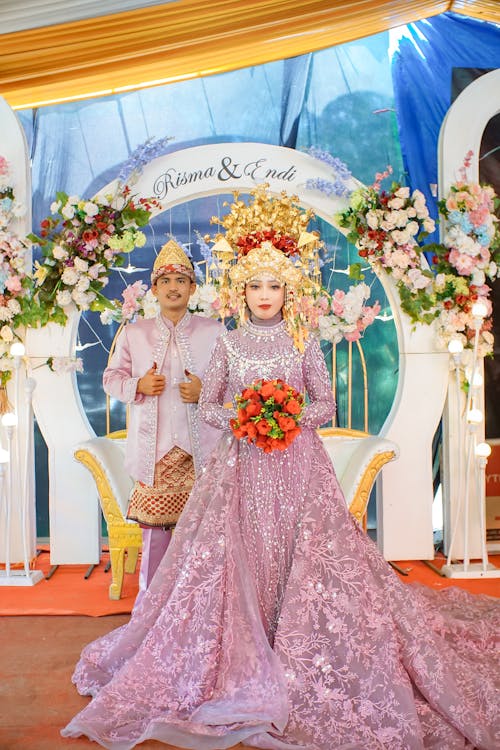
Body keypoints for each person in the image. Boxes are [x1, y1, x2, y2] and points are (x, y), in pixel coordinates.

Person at [63, 187, 499, 750]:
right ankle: (249, 644)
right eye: (255, 285)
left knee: (300, 551)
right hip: (242, 468)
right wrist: (245, 414)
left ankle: (296, 639)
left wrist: (287, 414)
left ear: (287, 291)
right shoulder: (229, 344)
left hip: (297, 469)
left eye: (274, 285)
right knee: (243, 553)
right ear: (238, 291)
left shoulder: (303, 341)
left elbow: (326, 406)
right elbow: (211, 405)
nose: (264, 295)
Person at [102, 238, 224, 601]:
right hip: (154, 456)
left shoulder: (214, 332)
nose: (174, 287)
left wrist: (205, 390)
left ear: (193, 288)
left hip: (202, 455)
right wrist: (138, 384)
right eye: (166, 281)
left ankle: (202, 606)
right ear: (154, 289)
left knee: (204, 536)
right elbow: (110, 379)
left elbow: (234, 384)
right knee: (155, 538)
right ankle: (152, 611)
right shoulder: (134, 333)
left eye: (181, 280)